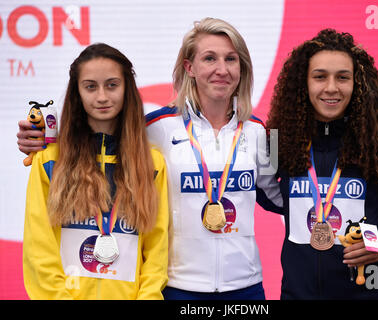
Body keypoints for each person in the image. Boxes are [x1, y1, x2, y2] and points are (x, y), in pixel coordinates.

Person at [18, 18, 282, 300]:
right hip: (179, 288)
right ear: (189, 67)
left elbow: (279, 194)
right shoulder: (156, 128)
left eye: (231, 59)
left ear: (242, 67)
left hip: (247, 287)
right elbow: (103, 135)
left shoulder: (264, 133)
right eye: (209, 58)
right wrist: (42, 138)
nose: (222, 69)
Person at [266, 29, 378, 299]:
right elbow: (262, 190)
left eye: (343, 77)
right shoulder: (278, 141)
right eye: (320, 77)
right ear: (303, 84)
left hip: (369, 292)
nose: (331, 87)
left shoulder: (377, 144)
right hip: (298, 294)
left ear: (357, 84)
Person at [23, 43, 169, 299]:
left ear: (127, 90)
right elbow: (39, 249)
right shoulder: (49, 160)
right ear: (77, 93)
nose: (102, 96)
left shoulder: (152, 164)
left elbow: (157, 251)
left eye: (112, 85)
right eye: (90, 86)